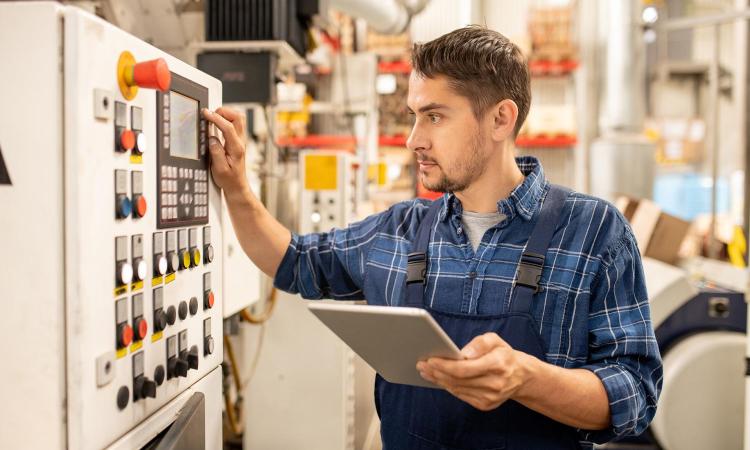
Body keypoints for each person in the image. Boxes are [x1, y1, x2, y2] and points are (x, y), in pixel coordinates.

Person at [202, 25, 662, 450]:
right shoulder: (399, 230)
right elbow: (294, 260)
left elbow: (636, 393)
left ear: (501, 119)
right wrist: (238, 189)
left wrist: (527, 378)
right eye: (414, 116)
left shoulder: (593, 230)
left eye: (435, 117)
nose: (414, 139)